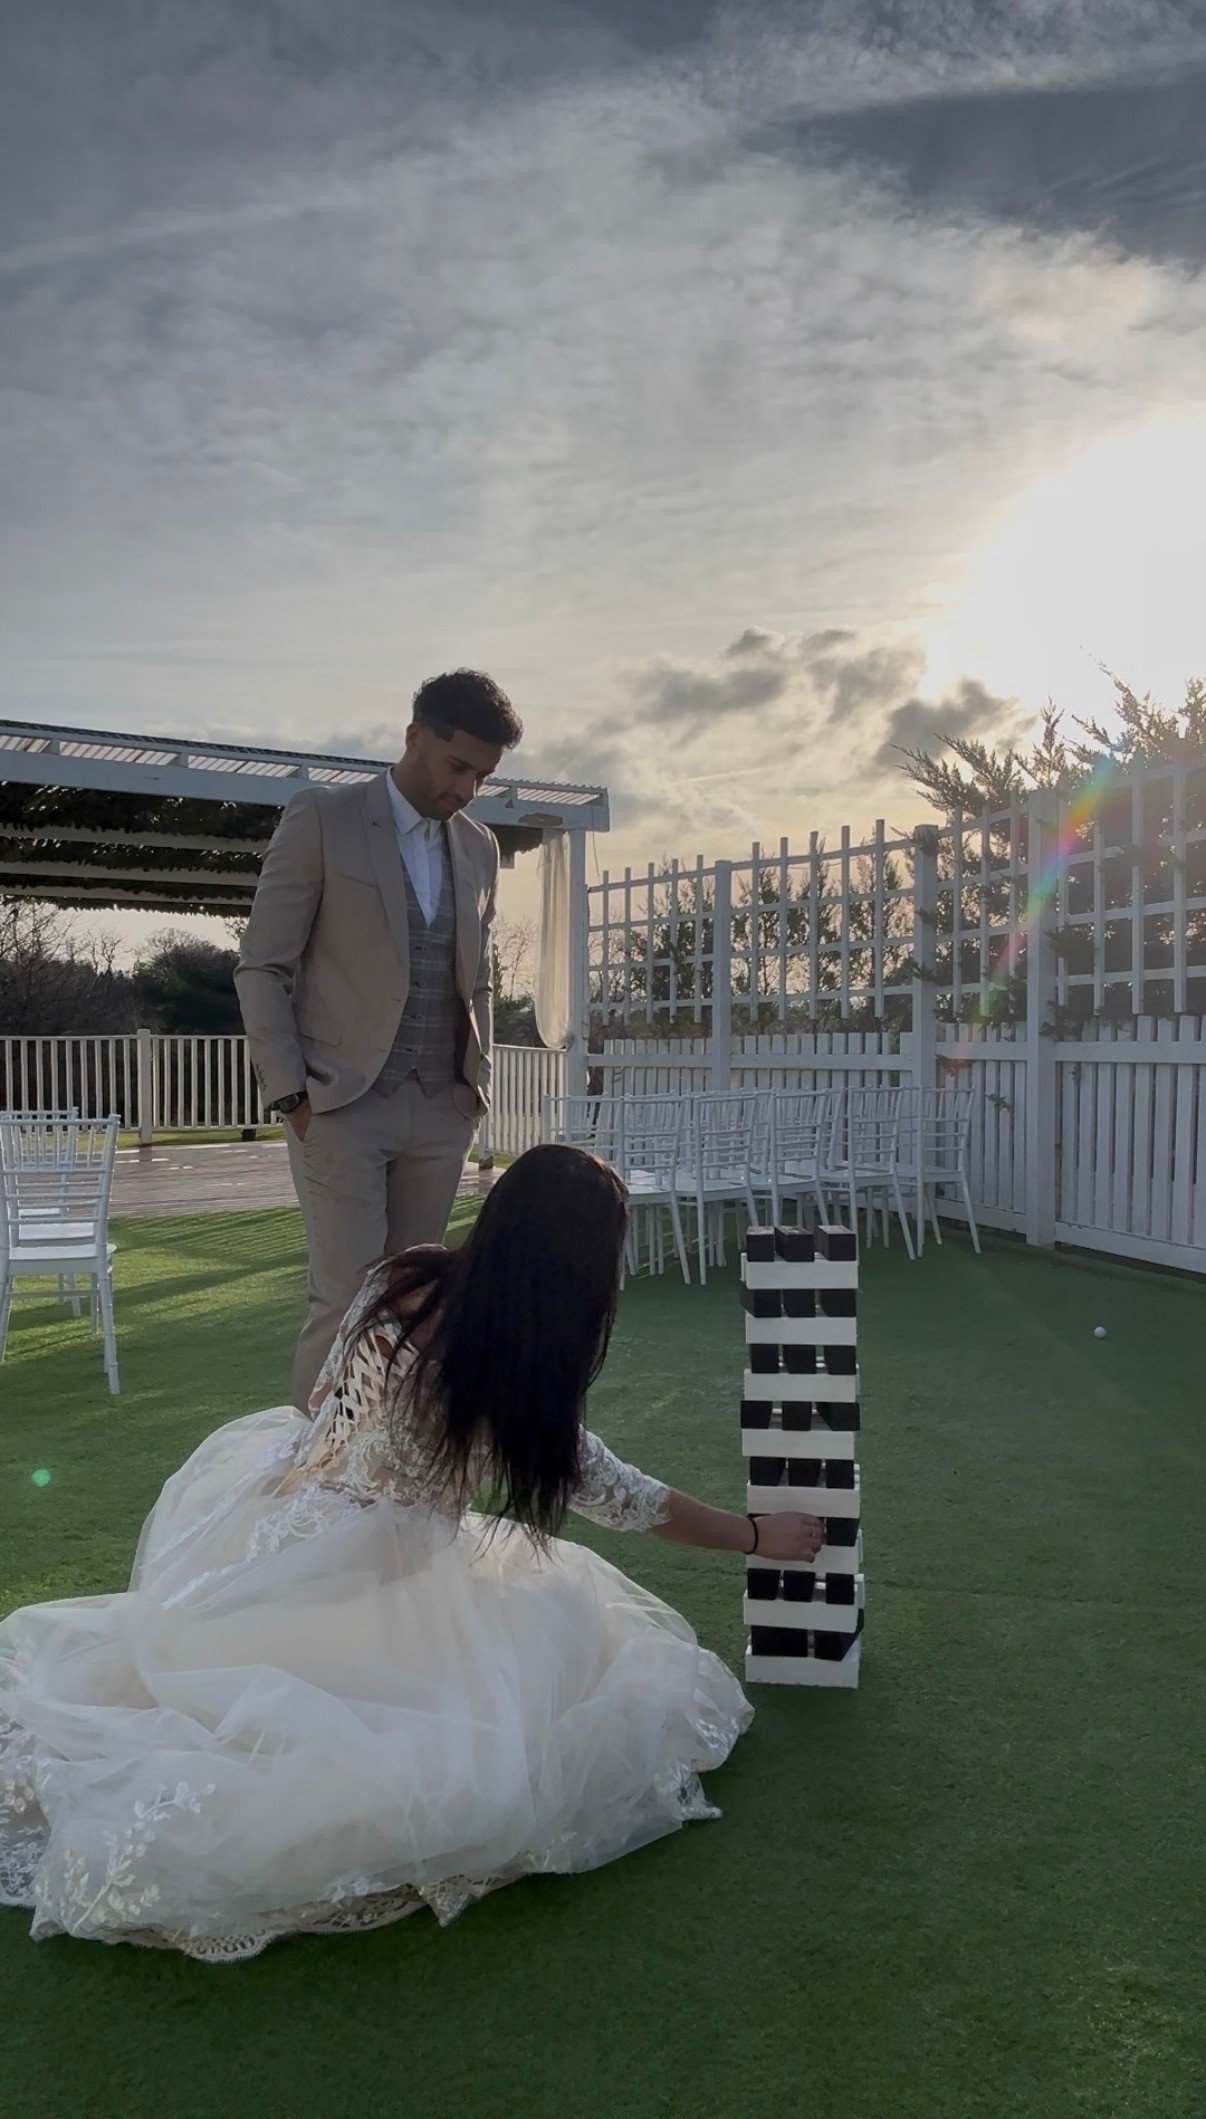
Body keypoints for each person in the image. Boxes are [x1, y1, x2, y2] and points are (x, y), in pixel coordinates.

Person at [0, 1146, 824, 1963]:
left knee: (172, 1681)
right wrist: (757, 1533)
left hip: (269, 1518)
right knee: (498, 1745)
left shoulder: (399, 1277)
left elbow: (322, 1399)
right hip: (366, 1582)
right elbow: (630, 1500)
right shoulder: (507, 1375)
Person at [235, 668, 523, 1413]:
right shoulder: (323, 819)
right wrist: (291, 1093)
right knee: (346, 1301)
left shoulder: (481, 847)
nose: (466, 788)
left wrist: (475, 1085)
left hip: (441, 1108)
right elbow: (262, 965)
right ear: (414, 737)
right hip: (340, 1105)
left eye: (483, 776)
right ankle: (308, 1497)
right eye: (458, 766)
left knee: (416, 1309)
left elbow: (478, 976)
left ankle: (386, 1481)